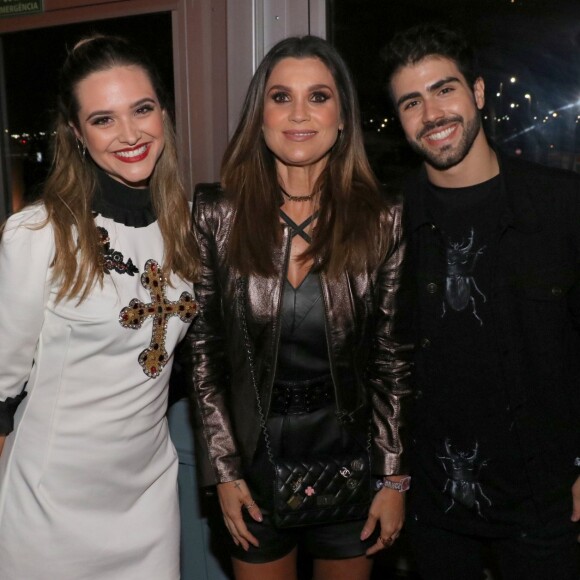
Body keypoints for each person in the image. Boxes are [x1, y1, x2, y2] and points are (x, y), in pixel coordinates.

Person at [186, 35, 413, 580]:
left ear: (342, 117)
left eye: (318, 96)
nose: (299, 114)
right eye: (281, 97)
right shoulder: (216, 215)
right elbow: (203, 354)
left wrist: (393, 478)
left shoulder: (383, 219)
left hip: (351, 465)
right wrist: (224, 470)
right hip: (253, 467)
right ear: (259, 116)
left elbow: (392, 360)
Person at [382, 22, 580, 580]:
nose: (432, 114)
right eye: (411, 102)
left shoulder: (561, 204)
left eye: (444, 89)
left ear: (478, 92)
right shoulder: (388, 222)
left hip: (544, 501)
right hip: (434, 509)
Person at [0, 35, 199, 579]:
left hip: (148, 499)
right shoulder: (39, 235)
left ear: (164, 111)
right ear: (76, 133)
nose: (131, 134)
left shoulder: (187, 224)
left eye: (142, 109)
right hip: (51, 507)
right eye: (104, 119)